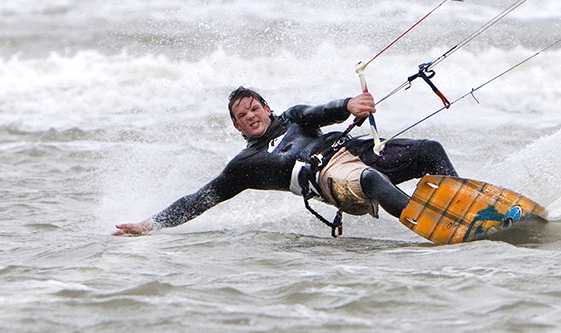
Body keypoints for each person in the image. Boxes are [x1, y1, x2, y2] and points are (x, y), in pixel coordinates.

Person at [113, 86, 457, 236]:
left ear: (267, 108)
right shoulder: (247, 163)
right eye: (242, 115)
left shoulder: (293, 118)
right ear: (236, 126)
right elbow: (202, 198)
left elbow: (319, 111)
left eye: (254, 108)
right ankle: (437, 223)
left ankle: (465, 203)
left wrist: (349, 104)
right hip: (330, 177)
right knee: (369, 180)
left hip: (358, 151)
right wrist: (152, 223)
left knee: (430, 149)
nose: (250, 116)